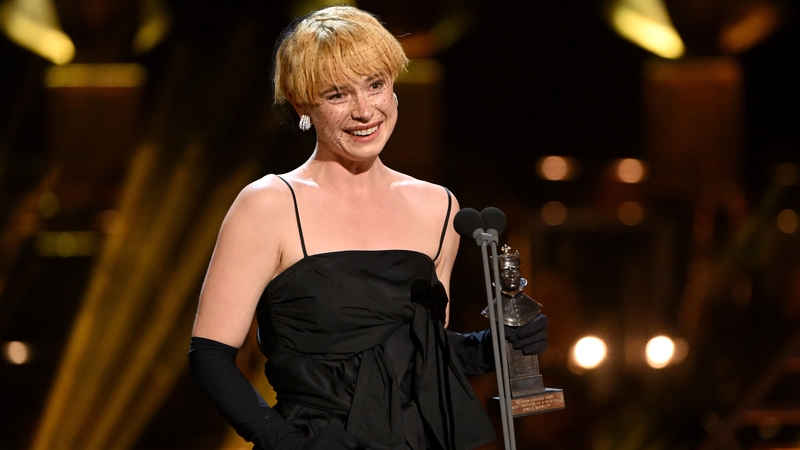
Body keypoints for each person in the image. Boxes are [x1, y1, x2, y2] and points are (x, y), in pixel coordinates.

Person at [188, 6, 548, 450]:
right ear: (302, 105)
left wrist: (490, 347)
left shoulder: (438, 206)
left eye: (375, 85)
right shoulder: (269, 204)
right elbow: (211, 356)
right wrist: (286, 443)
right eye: (337, 94)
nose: (364, 111)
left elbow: (417, 357)